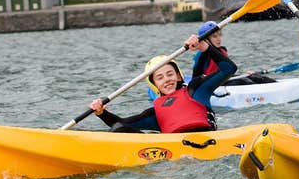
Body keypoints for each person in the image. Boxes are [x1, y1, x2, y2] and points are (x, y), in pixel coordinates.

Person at [89, 34, 237, 132]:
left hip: (209, 141)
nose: (166, 79)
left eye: (170, 74)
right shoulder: (155, 113)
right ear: (154, 85)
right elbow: (121, 123)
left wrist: (204, 47)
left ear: (179, 76)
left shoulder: (196, 89)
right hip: (176, 153)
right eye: (160, 77)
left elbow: (229, 69)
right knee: (118, 129)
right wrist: (102, 113)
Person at [192, 21, 276, 86]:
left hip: (225, 79)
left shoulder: (222, 50)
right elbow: (195, 78)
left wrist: (244, 74)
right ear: (206, 40)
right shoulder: (201, 54)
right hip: (211, 84)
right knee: (244, 81)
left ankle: (276, 85)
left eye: (219, 35)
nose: (219, 39)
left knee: (255, 76)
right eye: (214, 36)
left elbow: (228, 71)